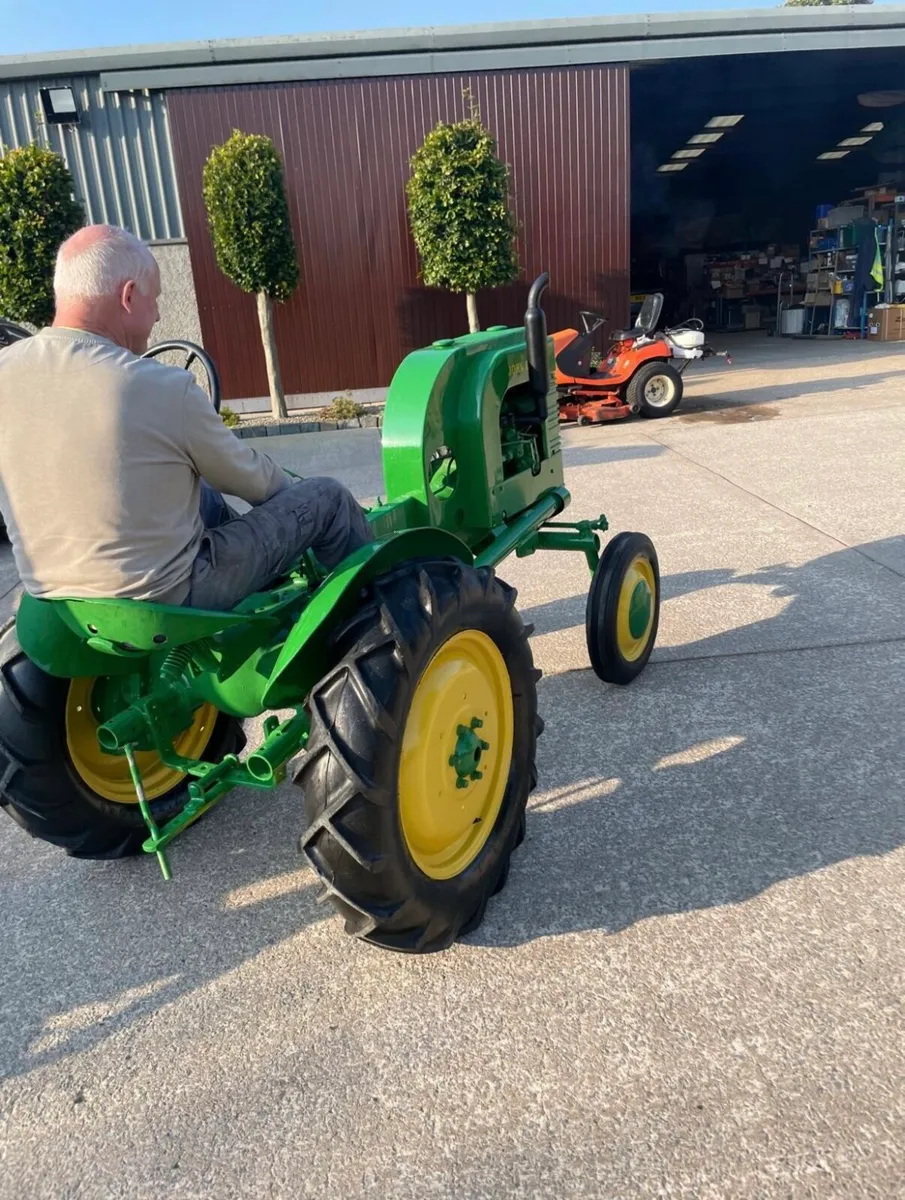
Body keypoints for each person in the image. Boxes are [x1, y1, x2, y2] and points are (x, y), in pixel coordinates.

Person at [0, 224, 372, 611]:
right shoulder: (160, 385)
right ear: (128, 296)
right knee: (326, 498)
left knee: (201, 494)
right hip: (168, 595)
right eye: (155, 299)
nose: (158, 315)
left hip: (51, 600)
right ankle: (374, 610)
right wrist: (295, 495)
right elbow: (254, 483)